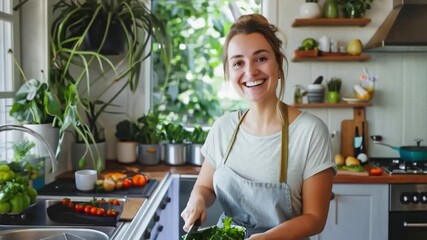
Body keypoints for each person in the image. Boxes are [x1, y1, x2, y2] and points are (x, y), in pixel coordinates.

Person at [181, 13, 336, 240]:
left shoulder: (310, 132)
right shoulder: (222, 129)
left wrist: (265, 238)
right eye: (238, 63)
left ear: (279, 64)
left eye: (261, 58)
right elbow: (205, 187)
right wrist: (197, 200)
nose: (251, 71)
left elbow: (315, 217)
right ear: (229, 72)